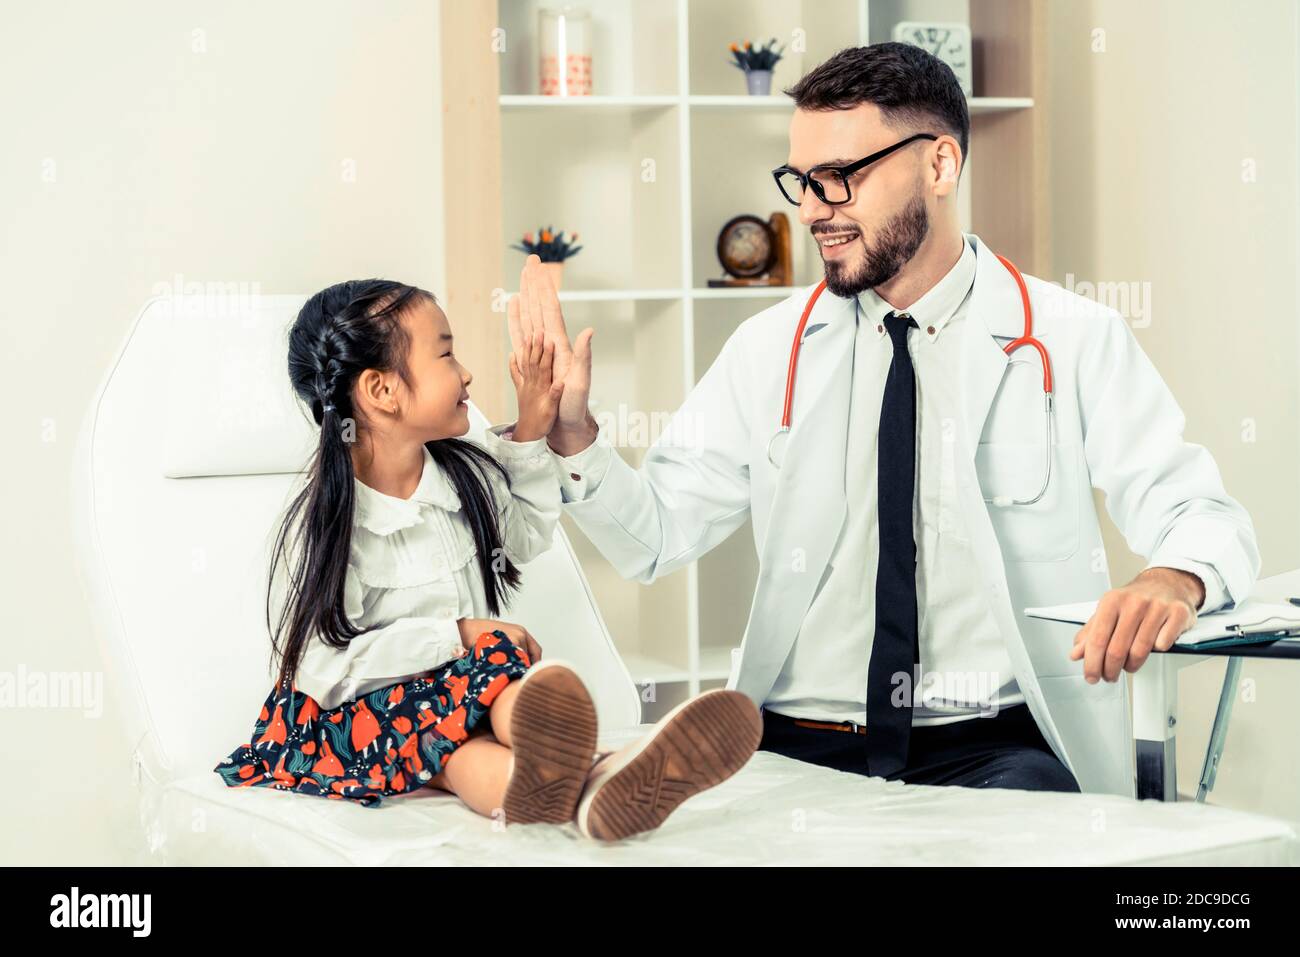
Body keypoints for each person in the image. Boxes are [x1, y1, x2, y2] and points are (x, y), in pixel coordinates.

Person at [526, 43, 1260, 797]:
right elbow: (655, 538)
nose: (813, 208)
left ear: (939, 166)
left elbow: (1205, 515)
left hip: (991, 745)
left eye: (840, 178)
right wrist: (575, 435)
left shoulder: (1072, 338)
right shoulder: (768, 349)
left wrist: (1174, 578)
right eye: (802, 181)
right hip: (794, 742)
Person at [213, 275, 761, 840]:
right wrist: (459, 634)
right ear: (382, 391)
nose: (468, 372)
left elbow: (523, 537)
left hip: (467, 689)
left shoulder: (462, 474)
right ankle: (592, 781)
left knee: (493, 692)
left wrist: (533, 426)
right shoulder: (329, 521)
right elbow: (318, 667)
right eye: (447, 353)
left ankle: (595, 787)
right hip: (355, 719)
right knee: (457, 748)